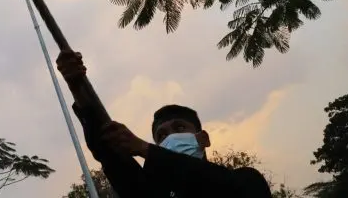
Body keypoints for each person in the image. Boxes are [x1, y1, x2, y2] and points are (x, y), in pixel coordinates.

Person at [57, 50, 272, 198]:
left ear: (203, 138)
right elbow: (108, 151)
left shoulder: (246, 181)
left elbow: (217, 183)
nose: (169, 138)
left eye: (179, 128)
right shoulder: (151, 192)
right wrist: (77, 86)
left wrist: (145, 149)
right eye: (161, 136)